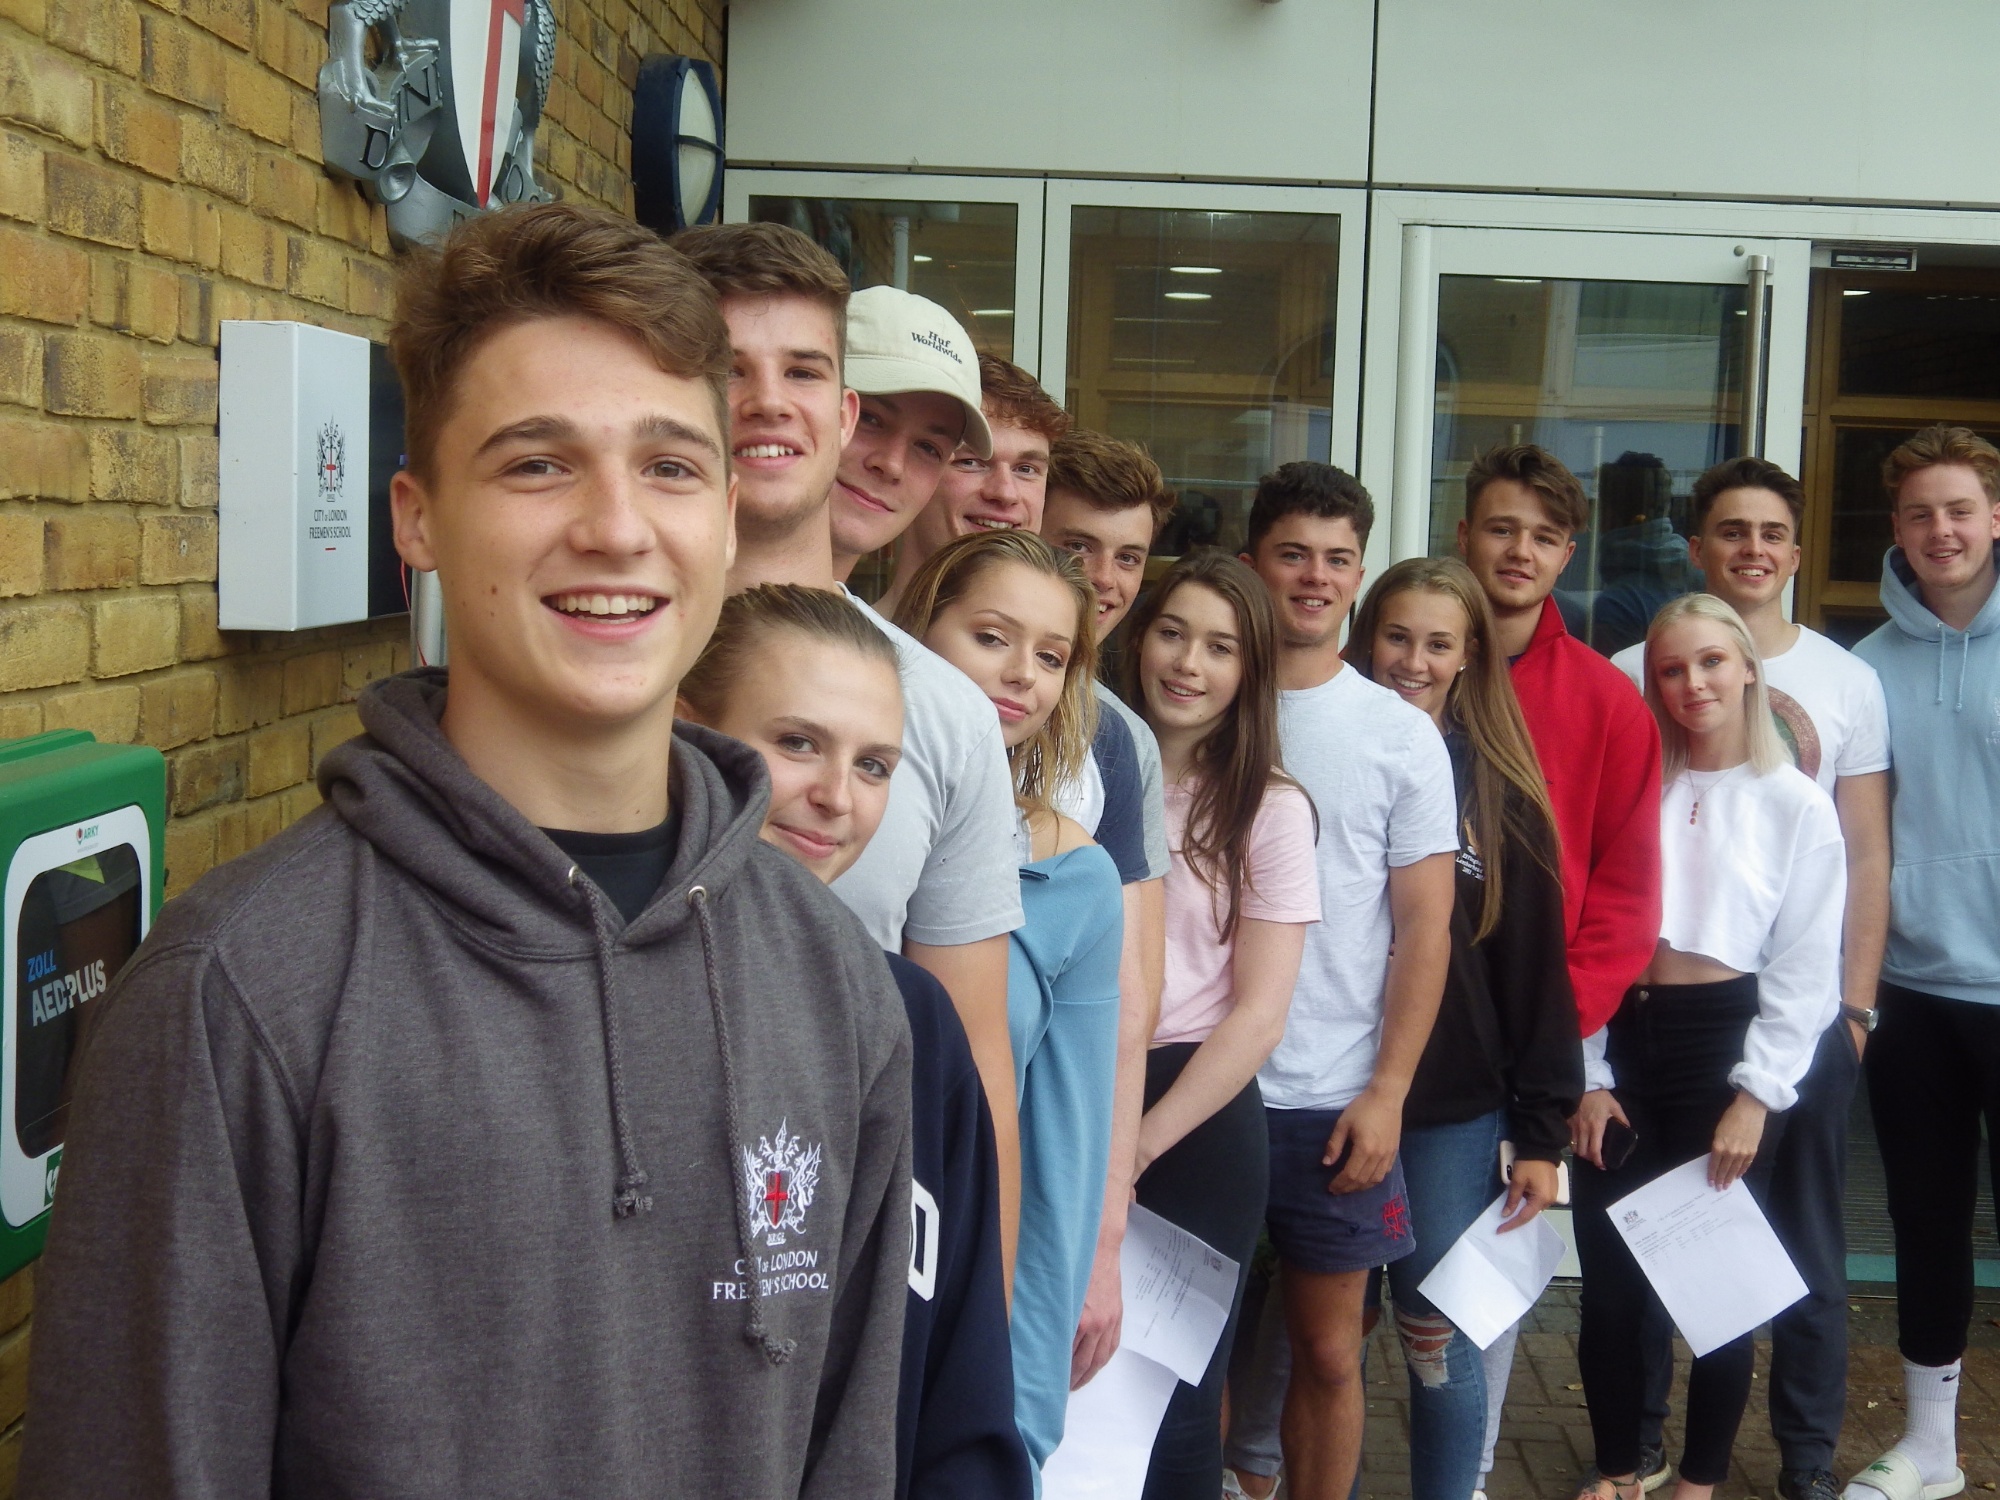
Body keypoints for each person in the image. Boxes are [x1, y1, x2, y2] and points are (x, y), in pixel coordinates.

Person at [19, 204, 913, 1498]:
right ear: (418, 515)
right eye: (537, 463)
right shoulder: (238, 999)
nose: (615, 527)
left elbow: (848, 1457)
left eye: (668, 466)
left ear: (726, 514)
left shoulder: (831, 979)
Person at [672, 224, 1026, 1281]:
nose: (768, 402)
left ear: (834, 409)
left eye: (801, 373)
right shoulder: (597, 661)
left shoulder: (945, 714)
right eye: (729, 370)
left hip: (834, 1250)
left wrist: (981, 1344)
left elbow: (970, 1056)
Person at [679, 584, 1032, 1500]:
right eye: (796, 742)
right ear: (683, 727)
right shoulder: (585, 1004)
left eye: (876, 765)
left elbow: (960, 1369)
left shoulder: (911, 1019)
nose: (836, 797)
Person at [1610, 456, 1892, 1500]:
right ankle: (1633, 1449)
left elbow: (1855, 863)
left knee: (1778, 1254)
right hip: (1648, 1027)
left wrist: (1844, 1017)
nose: (1751, 549)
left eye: (1770, 531)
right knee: (1650, 1251)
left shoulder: (1837, 689)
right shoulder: (1633, 682)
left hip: (1778, 1025)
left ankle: (1797, 1459)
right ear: (1696, 546)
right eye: (1729, 530)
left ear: (1794, 550)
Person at [1574, 593, 1845, 1500]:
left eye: (1711, 663)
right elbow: (1588, 929)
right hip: (1623, 1040)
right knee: (1611, 1289)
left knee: (1718, 1291)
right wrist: (1588, 1069)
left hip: (1723, 1044)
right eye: (1671, 669)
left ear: (1749, 670)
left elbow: (1806, 967)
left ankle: (1697, 1481)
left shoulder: (1795, 805)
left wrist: (1756, 1093)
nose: (1692, 683)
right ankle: (1618, 1472)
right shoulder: (1634, 787)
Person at [1224, 463, 1460, 1500]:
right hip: (1205, 1085)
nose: (1313, 578)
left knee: (1327, 1353)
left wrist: (1386, 1093)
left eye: (1335, 559)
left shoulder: (1400, 734)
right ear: (1251, 564)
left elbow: (1423, 927)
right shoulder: (1199, 696)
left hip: (1331, 1095)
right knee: (1187, 1348)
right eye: (1291, 555)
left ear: (1357, 573)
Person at [1345, 557, 1583, 1500]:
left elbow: (1532, 967)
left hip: (1451, 1108)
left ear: (1469, 655)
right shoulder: (1317, 749)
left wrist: (1542, 1129)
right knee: (1324, 1337)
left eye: (1438, 642)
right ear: (1367, 639)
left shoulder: (1498, 788)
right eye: (1397, 636)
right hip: (1326, 1089)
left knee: (1438, 1330)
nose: (1413, 659)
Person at [893, 530, 1126, 1472]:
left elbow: (1060, 1164)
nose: (1021, 674)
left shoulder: (1076, 877)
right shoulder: (816, 819)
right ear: (917, 633)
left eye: (1052, 656)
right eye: (992, 636)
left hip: (956, 1302)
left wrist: (1015, 1404)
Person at [1456, 442, 1664, 1493]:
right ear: (1463, 536)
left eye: (1541, 536)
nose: (1518, 551)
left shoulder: (1606, 703)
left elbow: (1626, 899)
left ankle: (1474, 1468)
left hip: (1536, 1044)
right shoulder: (1408, 672)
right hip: (1396, 1027)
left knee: (1490, 1274)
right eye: (1500, 528)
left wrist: (1548, 1039)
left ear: (1567, 552)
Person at [1114, 549, 1318, 1498]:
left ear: (1250, 672)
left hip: (1193, 1119)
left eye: (1221, 647)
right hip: (1076, 1092)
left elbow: (1259, 1016)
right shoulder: (1076, 772)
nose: (1189, 663)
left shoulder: (1270, 809)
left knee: (1177, 1395)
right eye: (1172, 632)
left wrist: (1140, 1147)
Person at [1844, 424, 2000, 1500]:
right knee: (1925, 1220)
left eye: (1957, 509)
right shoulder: (1865, 667)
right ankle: (1931, 1452)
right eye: (1916, 513)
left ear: (1994, 516)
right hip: (1911, 990)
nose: (1937, 530)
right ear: (1894, 529)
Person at [1039, 427, 1180, 1390]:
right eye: (1075, 547)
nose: (1103, 578)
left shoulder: (1121, 742)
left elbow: (1134, 1000)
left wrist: (1105, 1227)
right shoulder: (933, 691)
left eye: (1127, 556)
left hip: (1055, 1138)